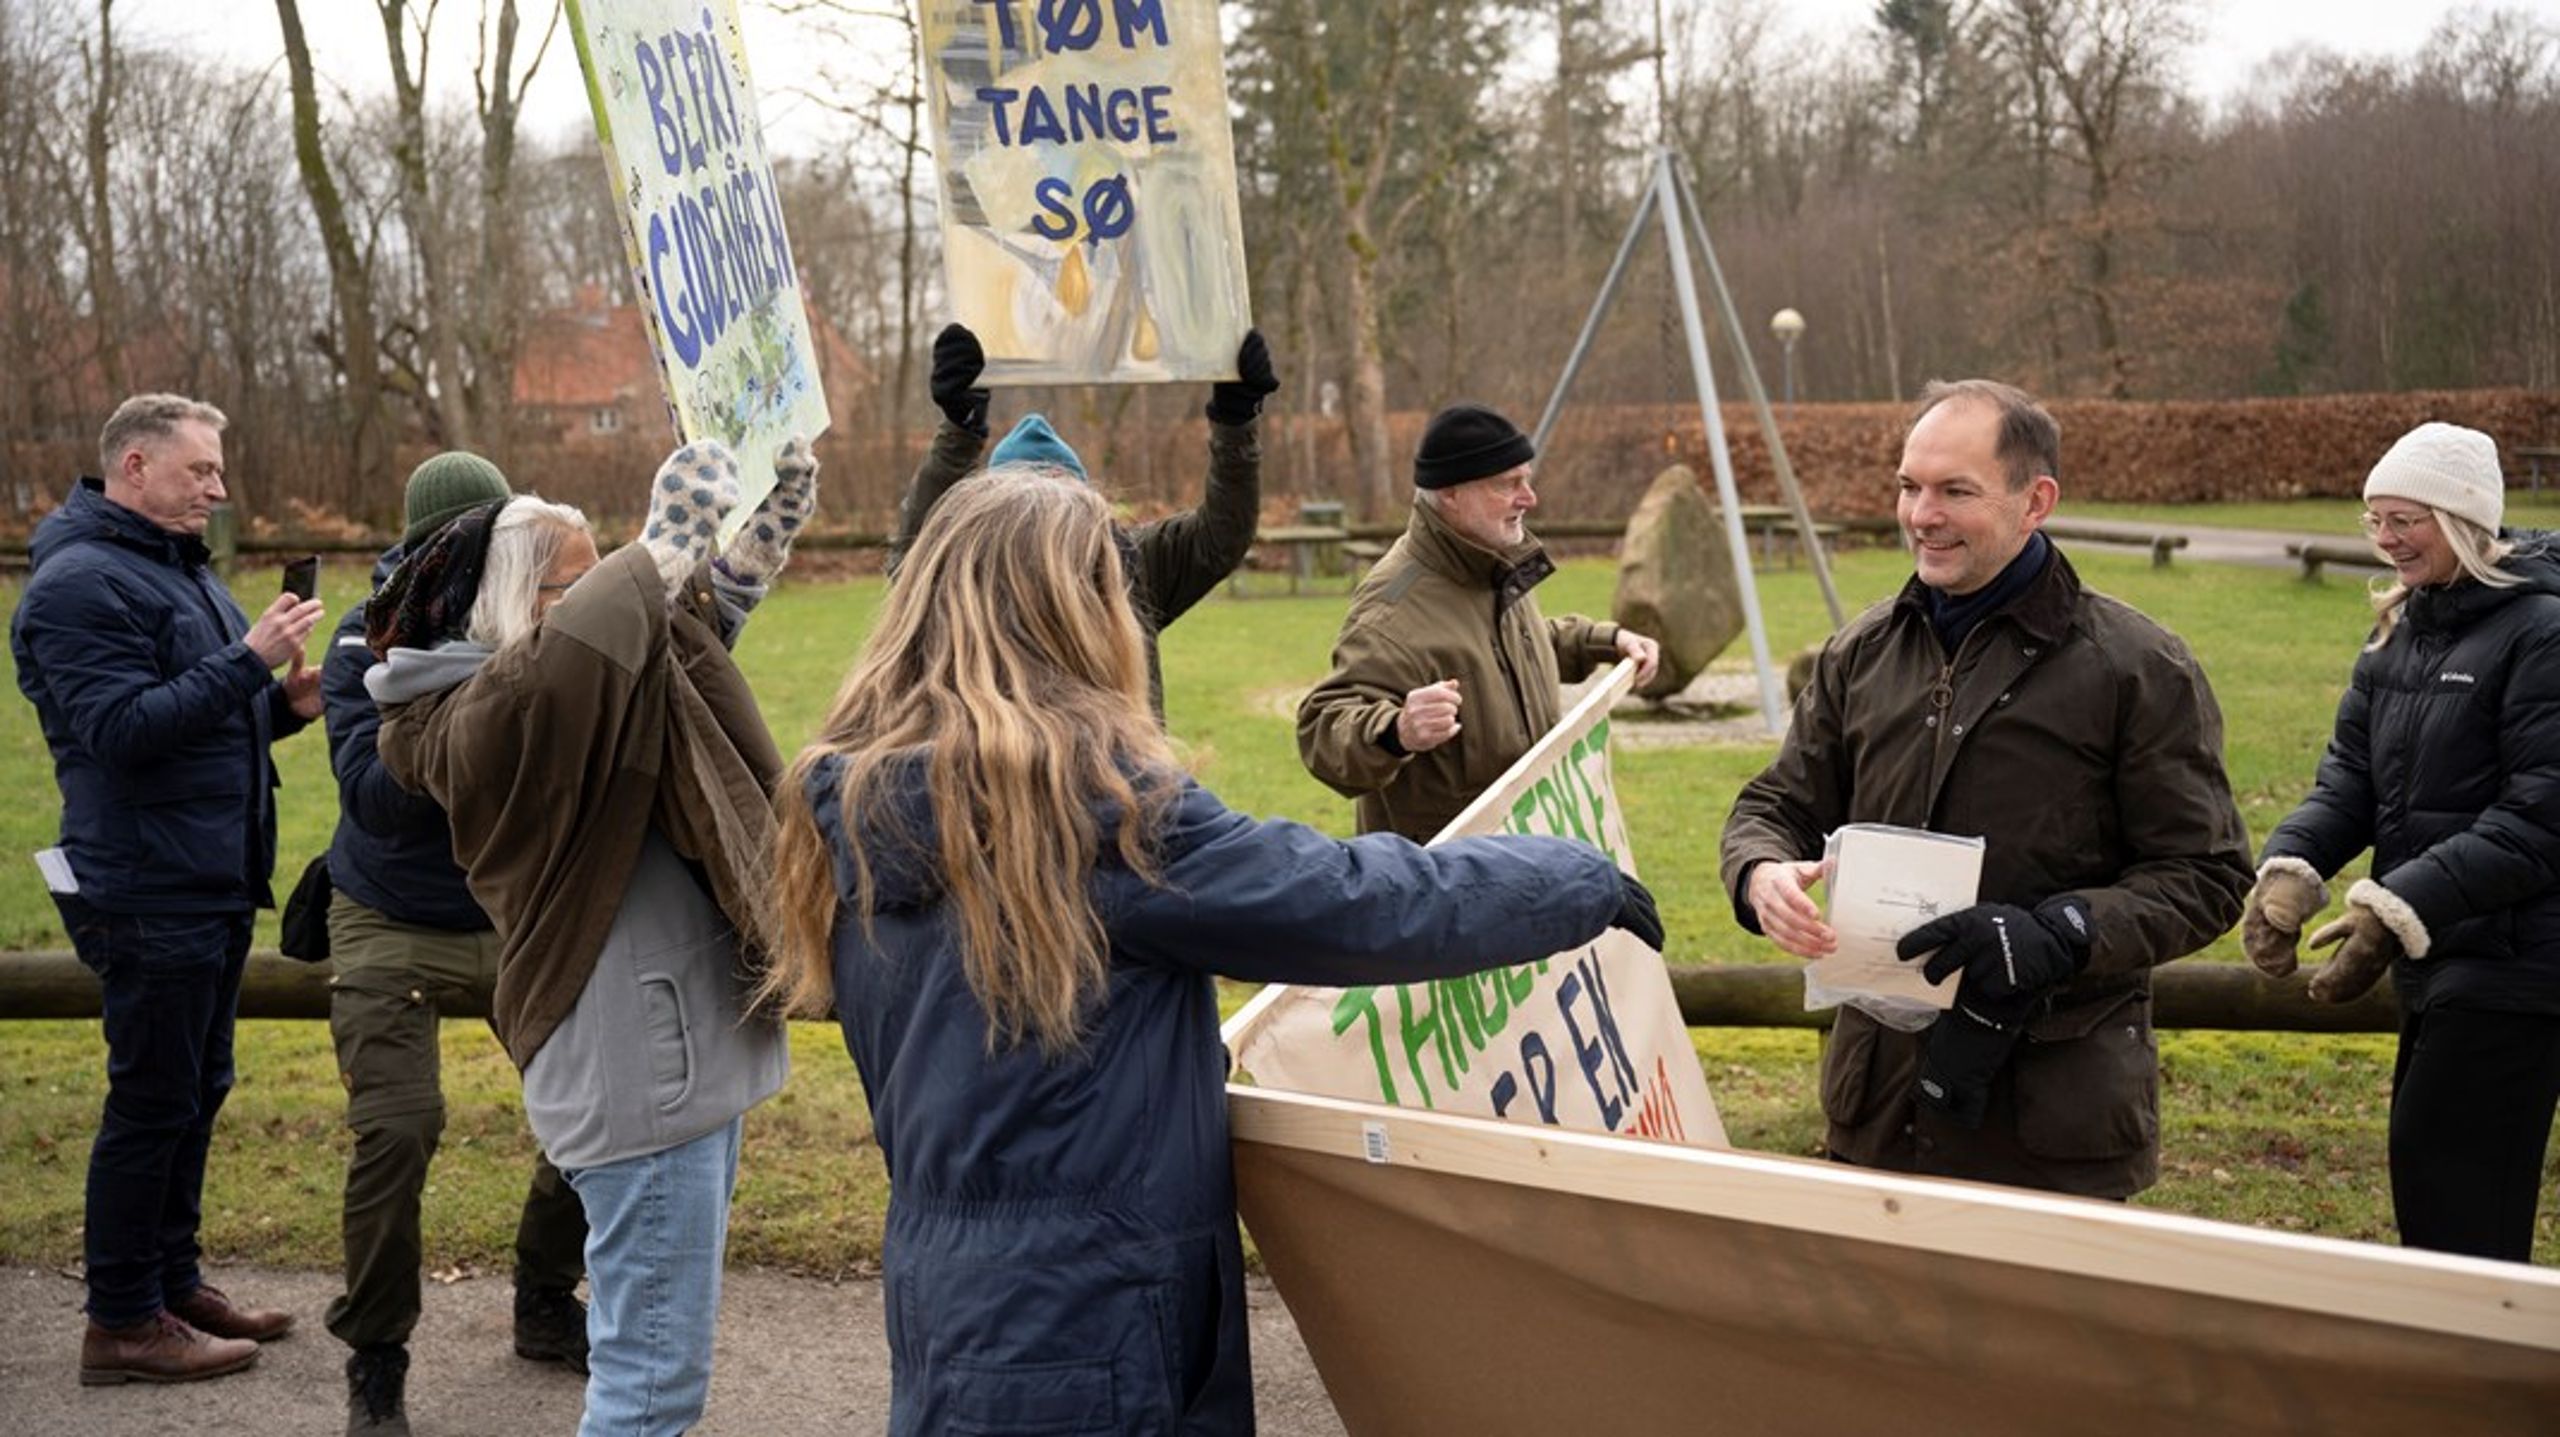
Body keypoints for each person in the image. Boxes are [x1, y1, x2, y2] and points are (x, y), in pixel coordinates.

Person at [758, 464, 1661, 1436]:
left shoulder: (858, 806)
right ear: (1077, 615)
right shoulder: (1091, 812)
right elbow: (1352, 902)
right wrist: (1577, 880)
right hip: (1093, 1325)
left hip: (950, 1302)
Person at [366, 438, 814, 1436]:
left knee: (658, 1373)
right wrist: (656, 549)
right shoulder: (474, 721)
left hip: (677, 1066)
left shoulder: (578, 685)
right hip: (638, 1077)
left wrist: (763, 522)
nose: (614, 588)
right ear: (516, 607)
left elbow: (683, 629)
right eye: (581, 578)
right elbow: (566, 669)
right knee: (651, 1389)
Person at [1718, 379, 2252, 1200]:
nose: (1921, 514)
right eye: (1909, 486)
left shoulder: (2138, 666)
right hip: (1879, 1111)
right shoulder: (1860, 652)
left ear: (2034, 500)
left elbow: (2207, 875)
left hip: (2051, 1124)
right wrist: (1760, 874)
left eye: (1954, 491)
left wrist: (2061, 931)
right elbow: (1775, 806)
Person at [11, 393, 319, 1383]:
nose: (219, 489)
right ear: (133, 468)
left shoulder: (176, 572)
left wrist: (284, 705)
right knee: (151, 1100)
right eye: (201, 473)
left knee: (196, 1088)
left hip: (209, 879)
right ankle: (122, 1323)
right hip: (147, 888)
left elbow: (202, 722)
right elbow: (122, 733)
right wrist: (247, 661)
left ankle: (172, 1284)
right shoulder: (77, 586)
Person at [2243, 422, 2560, 1262]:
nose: (2383, 538)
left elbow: (2541, 820)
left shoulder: (2543, 633)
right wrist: (2293, 867)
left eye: (2404, 519)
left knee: (2458, 1197)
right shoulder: (2400, 628)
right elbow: (2350, 775)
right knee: (2432, 1185)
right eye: (2373, 518)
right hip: (2439, 957)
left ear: (2461, 519)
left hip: (2518, 965)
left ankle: (2483, 1382)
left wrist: (2398, 901)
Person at [319, 453, 589, 1434]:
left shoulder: (538, 620)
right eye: (466, 542)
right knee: (399, 1128)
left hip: (517, 912)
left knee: (595, 1108)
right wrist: (473, 699)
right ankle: (377, 1355)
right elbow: (374, 802)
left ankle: (546, 1299)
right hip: (390, 914)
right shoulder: (366, 638)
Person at [1297, 403, 1661, 841]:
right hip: (1449, 889)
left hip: (1533, 865)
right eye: (1508, 484)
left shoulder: (1493, 559)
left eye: (1526, 479)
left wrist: (1606, 641)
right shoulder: (1391, 608)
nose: (1529, 498)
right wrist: (1397, 731)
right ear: (1451, 493)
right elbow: (1323, 729)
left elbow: (1519, 647)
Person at [892, 321, 1278, 720]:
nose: (1042, 524)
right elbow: (915, 566)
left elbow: (1221, 535)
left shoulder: (1126, 564)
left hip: (1118, 775)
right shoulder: (970, 572)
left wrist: (1236, 420)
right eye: (1024, 507)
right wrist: (959, 428)